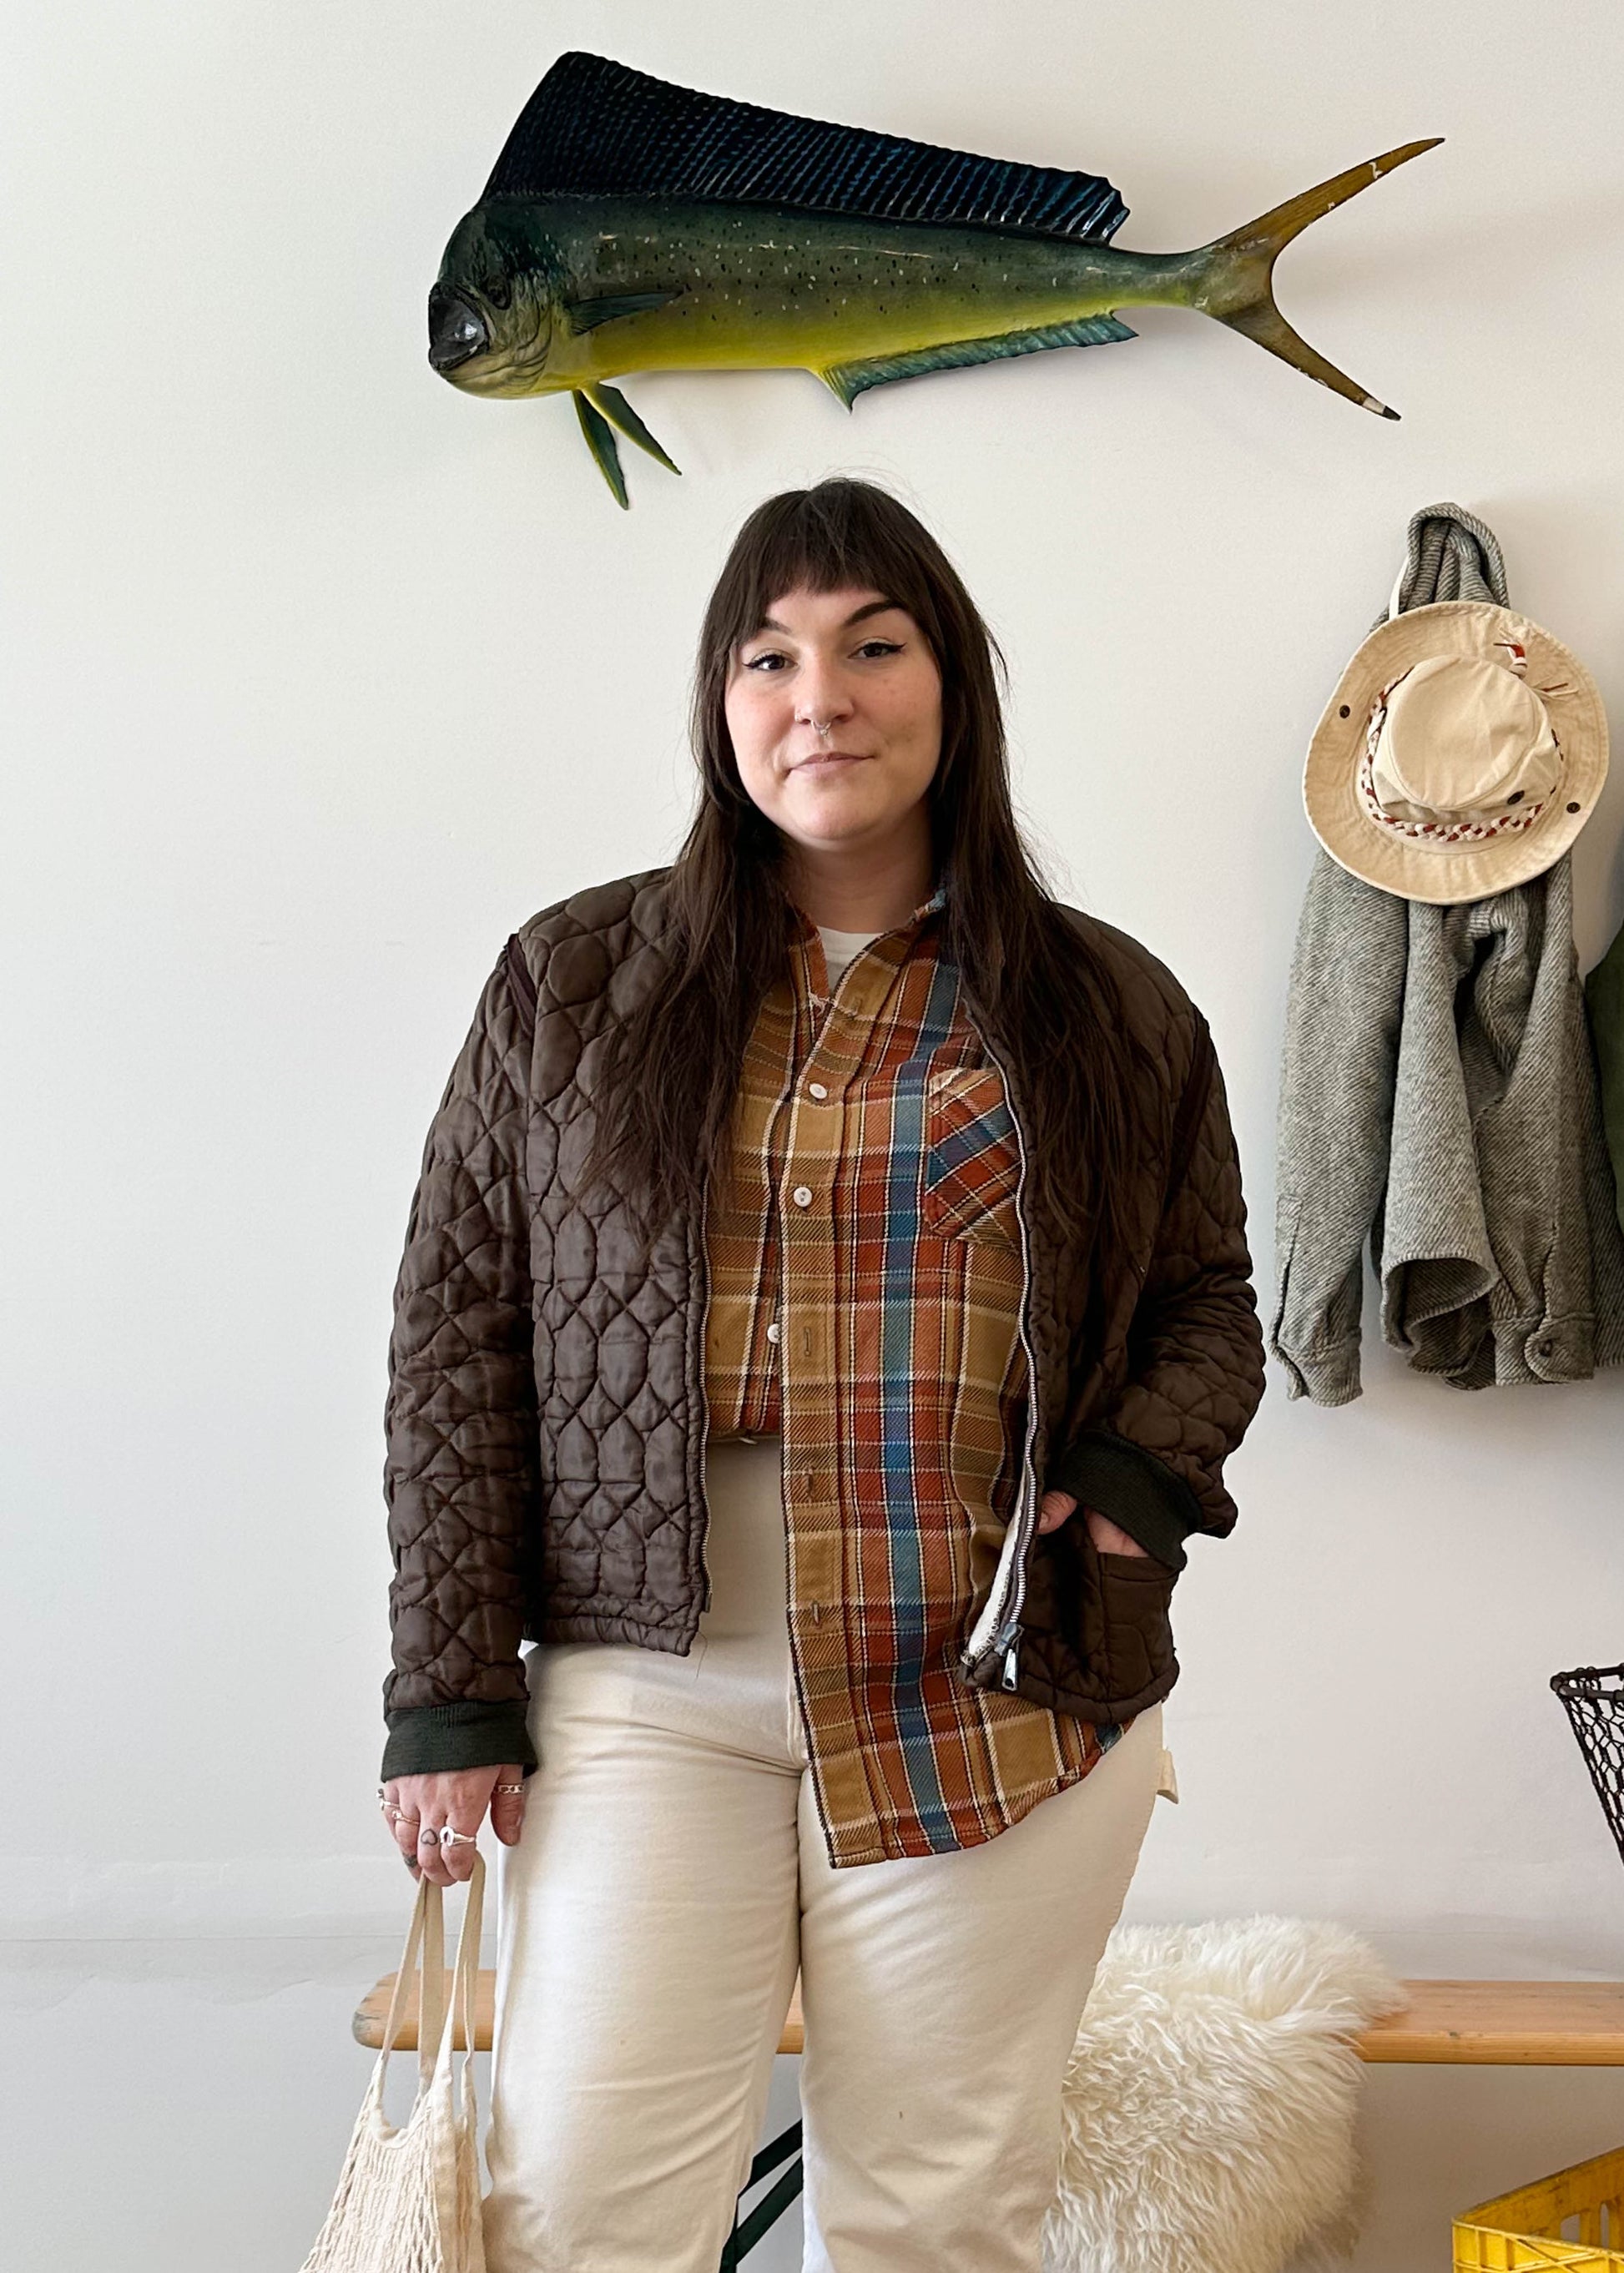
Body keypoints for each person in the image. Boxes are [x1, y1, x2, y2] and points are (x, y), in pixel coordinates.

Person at [376, 477, 1267, 2271]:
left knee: (935, 2221)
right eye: (769, 657)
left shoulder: (1107, 1004)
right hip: (645, 1687)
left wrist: (1128, 1497)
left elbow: (1206, 1300)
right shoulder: (573, 980)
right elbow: (455, 1336)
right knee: (580, 2216)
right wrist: (448, 1694)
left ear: (951, 686)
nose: (821, 699)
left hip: (993, 1680)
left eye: (874, 646)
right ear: (720, 701)